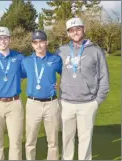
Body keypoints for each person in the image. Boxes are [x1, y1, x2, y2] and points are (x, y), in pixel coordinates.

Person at [56, 17, 110, 160]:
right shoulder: (61, 51)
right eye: (72, 30)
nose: (75, 32)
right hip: (67, 103)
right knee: (67, 139)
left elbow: (104, 77)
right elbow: (49, 69)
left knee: (85, 140)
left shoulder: (96, 51)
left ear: (84, 29)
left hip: (87, 103)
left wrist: (97, 101)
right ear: (68, 33)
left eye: (78, 29)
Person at [21, 30, 62, 160]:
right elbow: (17, 77)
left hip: (51, 104)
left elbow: (67, 75)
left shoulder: (55, 59)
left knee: (53, 141)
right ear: (32, 44)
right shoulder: (26, 61)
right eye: (35, 42)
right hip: (33, 104)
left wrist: (60, 83)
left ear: (46, 42)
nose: (38, 45)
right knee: (30, 140)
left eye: (41, 42)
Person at [0, 26, 25, 160]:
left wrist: (52, 84)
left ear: (9, 39)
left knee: (15, 141)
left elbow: (31, 73)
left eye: (5, 38)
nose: (2, 41)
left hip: (14, 104)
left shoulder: (19, 57)